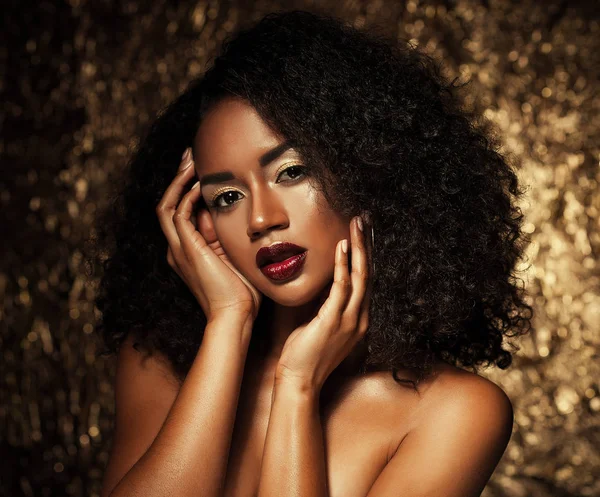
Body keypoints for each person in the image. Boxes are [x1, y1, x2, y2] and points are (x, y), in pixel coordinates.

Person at [93, 9, 533, 497]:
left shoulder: (456, 412)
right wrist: (227, 322)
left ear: (369, 171)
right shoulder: (158, 362)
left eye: (291, 172)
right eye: (227, 198)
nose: (261, 219)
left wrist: (298, 384)